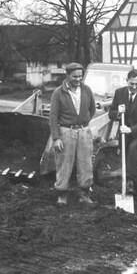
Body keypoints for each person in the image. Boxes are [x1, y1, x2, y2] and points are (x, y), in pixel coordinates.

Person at [49, 62, 96, 206]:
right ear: (67, 75)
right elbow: (53, 117)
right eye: (75, 76)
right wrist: (56, 138)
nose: (78, 79)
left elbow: (92, 109)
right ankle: (62, 195)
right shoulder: (58, 92)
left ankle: (84, 194)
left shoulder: (87, 90)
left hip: (83, 131)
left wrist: (83, 122)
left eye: (80, 76)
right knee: (64, 163)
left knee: (85, 163)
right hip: (66, 132)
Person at [108, 68, 137, 197]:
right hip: (124, 133)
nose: (134, 87)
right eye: (131, 83)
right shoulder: (119, 93)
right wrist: (118, 113)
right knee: (125, 158)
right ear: (127, 81)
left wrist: (131, 129)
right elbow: (110, 113)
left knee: (133, 148)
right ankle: (129, 184)